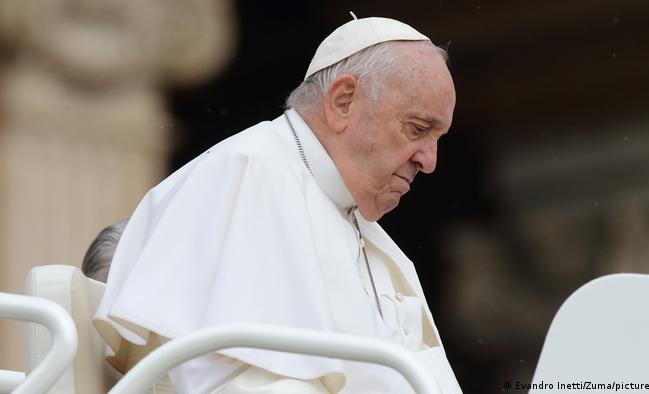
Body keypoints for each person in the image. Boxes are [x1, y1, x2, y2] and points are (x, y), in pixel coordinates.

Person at [95, 15, 460, 393]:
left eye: (438, 139)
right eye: (417, 129)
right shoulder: (244, 174)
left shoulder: (353, 218)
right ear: (342, 101)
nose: (429, 161)